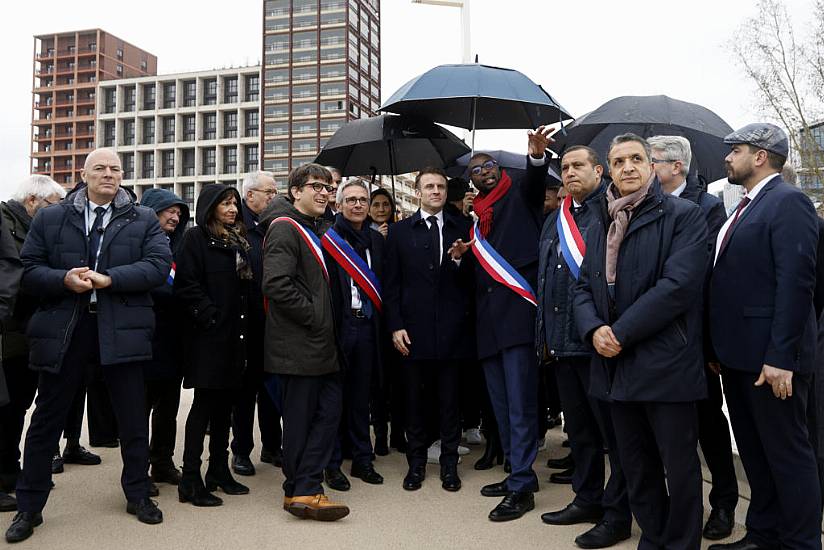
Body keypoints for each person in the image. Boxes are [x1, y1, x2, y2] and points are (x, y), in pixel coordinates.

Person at [6, 148, 171, 543]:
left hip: (121, 326)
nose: (108, 174)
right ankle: (30, 506)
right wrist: (63, 278)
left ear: (122, 174)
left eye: (115, 169)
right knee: (46, 420)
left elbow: (158, 266)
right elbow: (26, 269)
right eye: (100, 168)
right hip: (67, 327)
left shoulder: (143, 217)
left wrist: (109, 279)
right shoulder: (51, 216)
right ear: (84, 174)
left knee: (132, 418)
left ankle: (137, 494)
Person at [573, 133, 708, 549]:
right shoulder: (602, 221)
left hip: (666, 363)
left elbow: (678, 286)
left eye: (636, 159)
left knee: (679, 465)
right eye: (618, 161)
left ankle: (682, 542)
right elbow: (582, 287)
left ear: (652, 166)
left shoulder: (683, 215)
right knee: (635, 463)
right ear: (609, 169)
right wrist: (594, 329)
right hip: (614, 366)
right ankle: (653, 536)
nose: (627, 167)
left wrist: (620, 332)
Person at [708, 124, 822, 550]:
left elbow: (796, 284)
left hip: (772, 362)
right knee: (756, 454)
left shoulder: (788, 202)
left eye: (734, 151)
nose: (727, 159)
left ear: (760, 156)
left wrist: (782, 357)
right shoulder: (746, 206)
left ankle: (800, 542)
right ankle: (763, 532)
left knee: (789, 456)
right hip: (739, 358)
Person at [449, 127, 553, 521]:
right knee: (501, 403)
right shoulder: (478, 219)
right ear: (471, 181)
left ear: (500, 169)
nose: (484, 173)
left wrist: (537, 157)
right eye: (476, 171)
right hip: (488, 323)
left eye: (489, 166)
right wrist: (465, 253)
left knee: (521, 403)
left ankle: (523, 484)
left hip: (517, 316)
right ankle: (515, 472)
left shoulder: (520, 195)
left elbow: (537, 180)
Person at [537, 145, 631, 548]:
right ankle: (588, 498)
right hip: (561, 344)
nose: (570, 173)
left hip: (598, 344)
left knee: (616, 437)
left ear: (599, 170)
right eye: (564, 168)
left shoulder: (611, 212)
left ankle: (618, 513)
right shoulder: (556, 219)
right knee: (581, 433)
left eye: (578, 166)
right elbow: (545, 279)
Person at [648, 135, 738, 540]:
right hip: (655, 340)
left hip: (696, 340)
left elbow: (707, 277)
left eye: (649, 161)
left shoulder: (707, 208)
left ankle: (723, 503)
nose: (643, 169)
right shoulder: (642, 206)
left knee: (708, 426)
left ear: (676, 167)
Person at [261, 163, 349, 521]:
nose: (324, 193)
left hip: (320, 345)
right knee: (302, 420)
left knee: (326, 414)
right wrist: (316, 316)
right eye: (316, 186)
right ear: (295, 191)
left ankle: (300, 488)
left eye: (328, 188)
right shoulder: (286, 229)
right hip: (300, 345)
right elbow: (276, 284)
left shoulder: (318, 228)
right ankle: (304, 489)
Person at [385, 167, 474, 493]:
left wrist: (460, 261)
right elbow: (391, 285)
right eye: (429, 186)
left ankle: (450, 465)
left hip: (453, 333)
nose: (436, 191)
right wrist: (395, 326)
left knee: (451, 403)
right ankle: (416, 465)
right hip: (412, 334)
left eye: (440, 186)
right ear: (419, 191)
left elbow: (471, 284)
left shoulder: (463, 228)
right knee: (415, 404)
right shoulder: (398, 232)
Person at [174, 184, 252, 507]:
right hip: (209, 339)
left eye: (235, 204)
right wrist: (211, 317)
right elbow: (187, 285)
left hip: (237, 338)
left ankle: (219, 470)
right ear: (210, 208)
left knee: (226, 408)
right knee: (204, 408)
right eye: (225, 204)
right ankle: (190, 478)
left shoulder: (239, 242)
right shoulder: (196, 239)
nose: (232, 209)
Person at [0, 176, 64, 511]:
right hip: (6, 331)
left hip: (25, 333)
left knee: (16, 406)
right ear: (32, 201)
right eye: (54, 204)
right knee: (3, 408)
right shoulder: (6, 223)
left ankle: (9, 469)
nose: (58, 211)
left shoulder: (35, 228)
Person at [324, 179, 386, 488]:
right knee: (334, 400)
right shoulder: (328, 240)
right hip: (339, 326)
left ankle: (363, 460)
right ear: (338, 205)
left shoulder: (377, 241)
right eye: (351, 200)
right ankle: (332, 465)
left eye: (363, 199)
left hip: (368, 326)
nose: (358, 204)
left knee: (362, 399)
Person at [231, 171, 283, 476]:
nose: (273, 197)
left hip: (274, 322)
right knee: (245, 392)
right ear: (250, 195)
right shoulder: (237, 230)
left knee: (272, 389)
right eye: (269, 192)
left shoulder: (276, 226)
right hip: (246, 322)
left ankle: (273, 446)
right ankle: (241, 450)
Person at [139, 188, 190, 488]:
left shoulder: (179, 247)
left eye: (179, 213)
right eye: (169, 211)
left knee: (168, 409)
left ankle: (162, 463)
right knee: (140, 410)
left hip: (173, 343)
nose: (175, 217)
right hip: (145, 341)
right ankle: (138, 469)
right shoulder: (137, 245)